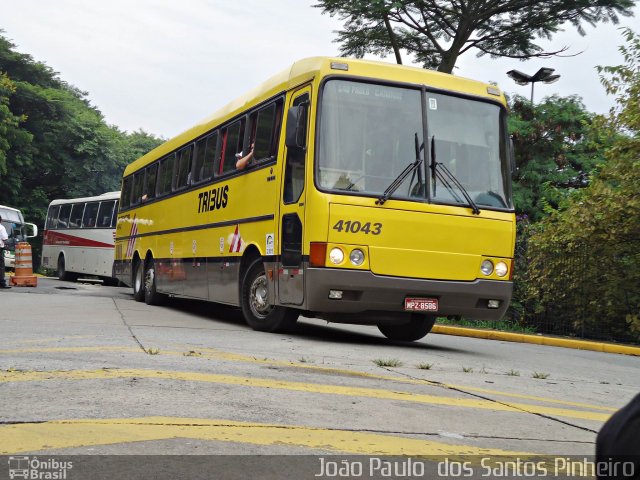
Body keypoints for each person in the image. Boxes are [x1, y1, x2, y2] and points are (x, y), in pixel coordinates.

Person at [0, 215, 11, 289]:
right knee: (1, 266)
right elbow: (4, 239)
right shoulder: (1, 227)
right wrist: (7, 245)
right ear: (1, 220)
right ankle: (2, 283)